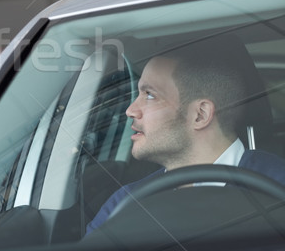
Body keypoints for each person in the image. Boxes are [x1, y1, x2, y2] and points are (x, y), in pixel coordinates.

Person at [86, 35, 285, 233]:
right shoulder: (125, 202)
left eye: (150, 95)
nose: (130, 110)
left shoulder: (278, 185)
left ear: (200, 115)